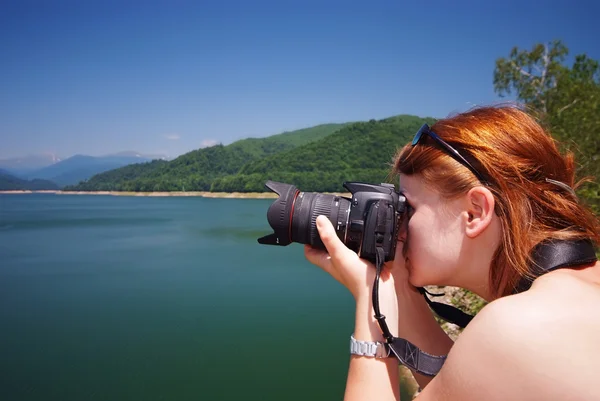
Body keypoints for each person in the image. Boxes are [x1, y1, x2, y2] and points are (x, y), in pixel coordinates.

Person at [304, 105, 600, 400]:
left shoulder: (517, 327)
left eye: (408, 208)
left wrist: (370, 307)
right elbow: (462, 385)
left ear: (475, 212)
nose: (399, 227)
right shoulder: (571, 298)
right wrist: (395, 289)